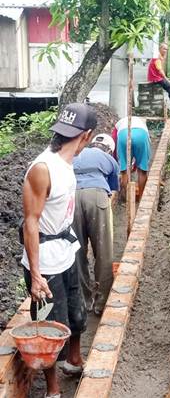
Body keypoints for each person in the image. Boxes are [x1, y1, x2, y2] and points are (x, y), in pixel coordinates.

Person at [21, 103, 97, 397]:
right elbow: (31, 222)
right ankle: (52, 390)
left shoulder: (65, 163)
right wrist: (36, 275)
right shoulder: (43, 169)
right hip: (46, 262)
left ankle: (74, 360)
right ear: (86, 136)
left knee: (77, 315)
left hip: (66, 252)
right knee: (51, 327)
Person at [72, 134, 120, 316]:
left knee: (77, 250)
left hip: (73, 197)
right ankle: (101, 302)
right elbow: (113, 189)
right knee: (103, 251)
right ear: (108, 149)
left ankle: (84, 301)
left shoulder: (75, 153)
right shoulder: (108, 158)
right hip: (97, 196)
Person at [112, 116, 151, 199]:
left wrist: (117, 162)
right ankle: (141, 197)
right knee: (142, 171)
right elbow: (144, 153)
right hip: (141, 135)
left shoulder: (118, 125)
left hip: (123, 135)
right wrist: (137, 165)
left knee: (124, 170)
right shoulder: (142, 124)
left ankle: (126, 197)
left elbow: (114, 146)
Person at [147, 42, 170, 111]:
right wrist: (166, 79)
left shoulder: (158, 56)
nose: (165, 51)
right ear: (160, 49)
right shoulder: (157, 58)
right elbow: (160, 70)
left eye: (166, 49)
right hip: (155, 79)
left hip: (156, 77)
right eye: (164, 49)